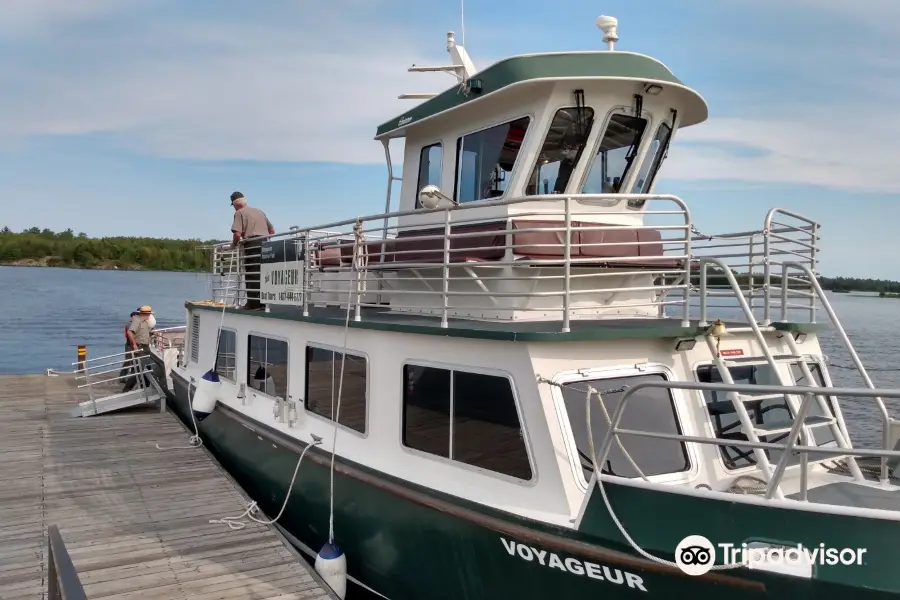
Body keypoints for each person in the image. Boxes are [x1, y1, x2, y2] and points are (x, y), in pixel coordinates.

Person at [230, 191, 275, 310]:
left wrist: (233, 245)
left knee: (251, 273)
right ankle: (264, 303)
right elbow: (272, 231)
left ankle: (253, 304)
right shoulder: (259, 211)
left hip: (252, 244)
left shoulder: (239, 213)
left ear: (235, 204)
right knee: (263, 273)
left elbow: (237, 235)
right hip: (266, 245)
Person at [122, 305, 155, 392]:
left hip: (146, 347)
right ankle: (127, 389)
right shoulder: (137, 320)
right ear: (145, 314)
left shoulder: (145, 322)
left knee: (147, 368)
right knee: (138, 369)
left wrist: (151, 334)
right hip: (140, 347)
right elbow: (130, 332)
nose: (149, 316)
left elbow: (142, 333)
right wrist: (135, 345)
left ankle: (145, 387)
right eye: (149, 314)